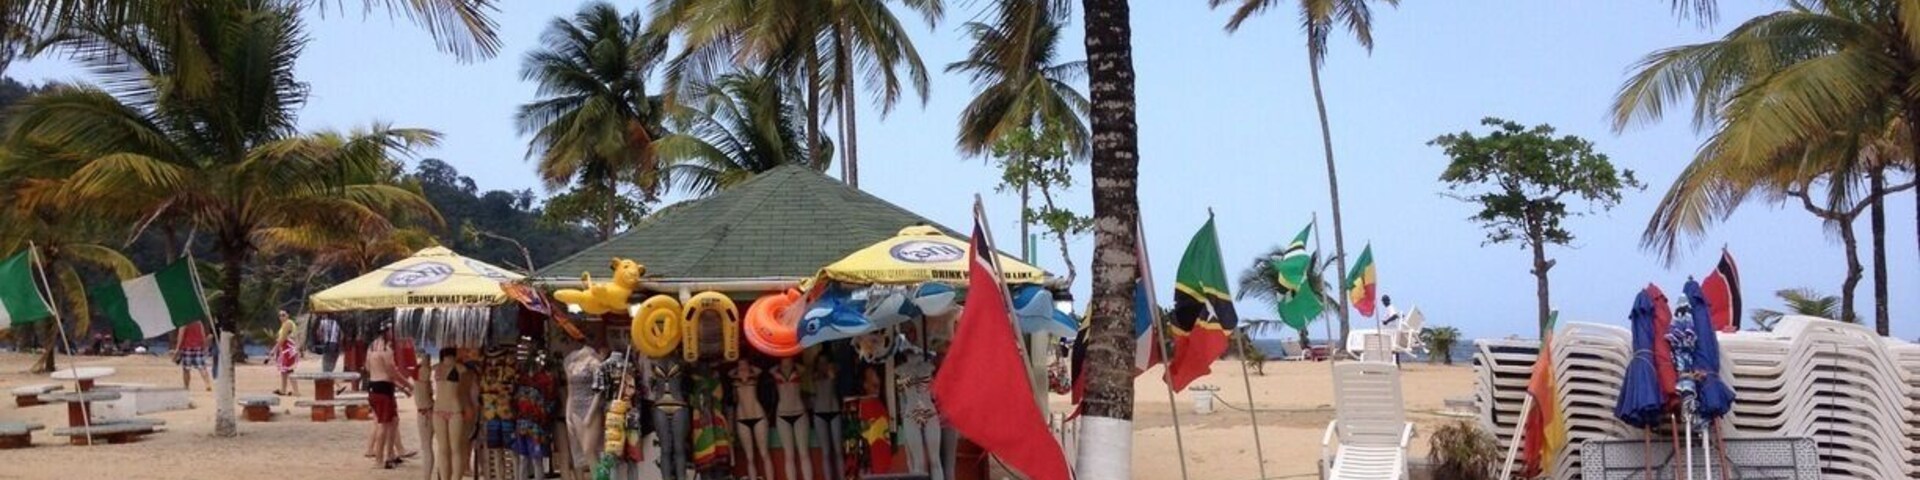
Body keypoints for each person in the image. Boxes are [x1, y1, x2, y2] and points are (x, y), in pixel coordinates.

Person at [366, 325, 414, 469]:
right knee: (384, 424)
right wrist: (408, 385)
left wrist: (402, 388)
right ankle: (379, 459)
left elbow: (369, 368)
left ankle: (390, 454)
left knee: (393, 420)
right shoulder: (386, 350)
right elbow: (392, 372)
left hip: (375, 386)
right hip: (383, 389)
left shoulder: (372, 347)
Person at [173, 321, 213, 391]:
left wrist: (177, 348)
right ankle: (207, 384)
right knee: (202, 367)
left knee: (186, 369)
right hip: (198, 347)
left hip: (187, 347)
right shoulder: (198, 322)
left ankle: (186, 386)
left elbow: (181, 336)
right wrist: (204, 346)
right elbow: (203, 335)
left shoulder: (184, 322)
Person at [269, 311, 301, 396]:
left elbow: (282, 338)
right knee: (284, 370)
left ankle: (296, 391)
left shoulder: (288, 323)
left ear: (287, 315)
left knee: (289, 370)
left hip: (288, 350)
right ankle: (283, 389)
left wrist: (274, 349)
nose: (281, 317)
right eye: (280, 315)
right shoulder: (286, 324)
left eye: (283, 315)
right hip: (286, 349)